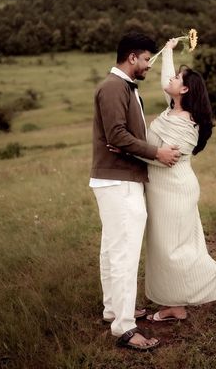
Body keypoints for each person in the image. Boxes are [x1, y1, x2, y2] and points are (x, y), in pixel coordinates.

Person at [109, 38, 216, 322]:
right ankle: (175, 305)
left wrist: (125, 148)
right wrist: (169, 52)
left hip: (175, 190)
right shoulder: (173, 108)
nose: (169, 79)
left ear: (184, 89)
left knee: (174, 250)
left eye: (177, 78)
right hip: (160, 189)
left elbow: (162, 156)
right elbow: (165, 83)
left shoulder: (187, 123)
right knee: (162, 248)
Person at [90, 32, 181, 351]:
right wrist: (157, 153)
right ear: (132, 57)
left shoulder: (121, 87)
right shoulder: (114, 87)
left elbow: (121, 136)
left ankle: (114, 310)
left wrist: (140, 147)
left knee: (112, 250)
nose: (147, 65)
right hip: (119, 181)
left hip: (119, 178)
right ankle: (125, 328)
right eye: (145, 59)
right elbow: (116, 135)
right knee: (124, 254)